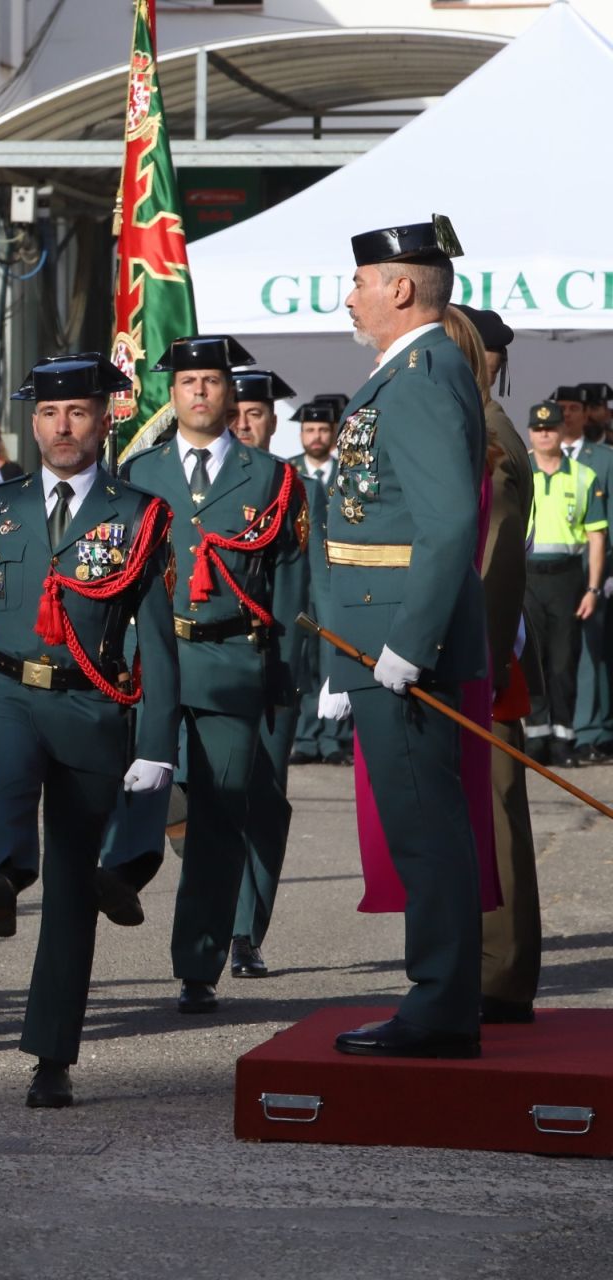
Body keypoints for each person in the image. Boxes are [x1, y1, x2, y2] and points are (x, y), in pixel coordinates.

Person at [0, 352, 179, 1107]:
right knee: (11, 762)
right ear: (31, 422)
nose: (60, 426)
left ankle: (52, 1056)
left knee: (75, 890)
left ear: (106, 420)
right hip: (7, 686)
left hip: (93, 705)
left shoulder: (139, 515)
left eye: (76, 412)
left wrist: (157, 748)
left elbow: (158, 640)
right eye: (46, 413)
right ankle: (4, 873)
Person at [92, 339, 306, 1017]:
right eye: (187, 382)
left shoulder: (270, 476)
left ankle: (200, 962)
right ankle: (126, 866)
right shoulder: (139, 473)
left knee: (220, 819)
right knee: (139, 783)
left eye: (211, 381)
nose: (200, 393)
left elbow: (290, 581)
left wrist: (287, 671)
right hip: (152, 660)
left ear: (230, 394)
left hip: (231, 662)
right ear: (173, 394)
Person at [317, 216, 486, 1060]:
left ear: (401, 288)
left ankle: (441, 1006)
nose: (348, 297)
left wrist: (410, 642)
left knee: (425, 825)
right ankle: (443, 995)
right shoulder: (406, 372)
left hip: (400, 643)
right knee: (421, 823)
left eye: (358, 283)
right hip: (369, 635)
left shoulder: (421, 373)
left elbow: (451, 521)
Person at [455, 307, 540, 1025]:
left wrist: (468, 662)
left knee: (494, 808)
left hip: (481, 658)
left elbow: (490, 561)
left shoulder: (486, 437)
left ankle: (500, 974)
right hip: (478, 651)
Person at [225, 366, 308, 980]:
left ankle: (245, 930)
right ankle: (216, 911)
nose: (243, 423)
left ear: (273, 420)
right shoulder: (198, 487)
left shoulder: (294, 487)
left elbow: (316, 586)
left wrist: (322, 673)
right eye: (235, 411)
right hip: (206, 666)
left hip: (276, 666)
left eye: (254, 414)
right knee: (201, 795)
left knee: (264, 801)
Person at [522, 400, 605, 765]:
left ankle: (563, 739)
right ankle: (536, 736)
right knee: (532, 660)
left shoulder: (583, 476)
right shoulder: (519, 470)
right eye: (538, 429)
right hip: (526, 576)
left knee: (563, 661)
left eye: (551, 429)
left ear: (561, 431)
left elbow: (597, 537)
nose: (544, 434)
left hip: (566, 577)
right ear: (530, 433)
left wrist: (592, 588)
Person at [553, 383, 613, 762]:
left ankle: (589, 732)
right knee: (555, 653)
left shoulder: (604, 458)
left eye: (574, 408)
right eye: (562, 408)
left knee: (592, 651)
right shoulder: (541, 455)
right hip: (553, 570)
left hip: (595, 567)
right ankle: (556, 730)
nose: (568, 414)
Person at [289, 401, 351, 765]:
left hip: (336, 574)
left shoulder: (347, 470)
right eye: (310, 430)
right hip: (300, 572)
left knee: (333, 653)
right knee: (303, 659)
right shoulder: (289, 471)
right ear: (300, 434)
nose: (316, 436)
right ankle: (306, 737)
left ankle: (334, 738)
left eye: (323, 430)